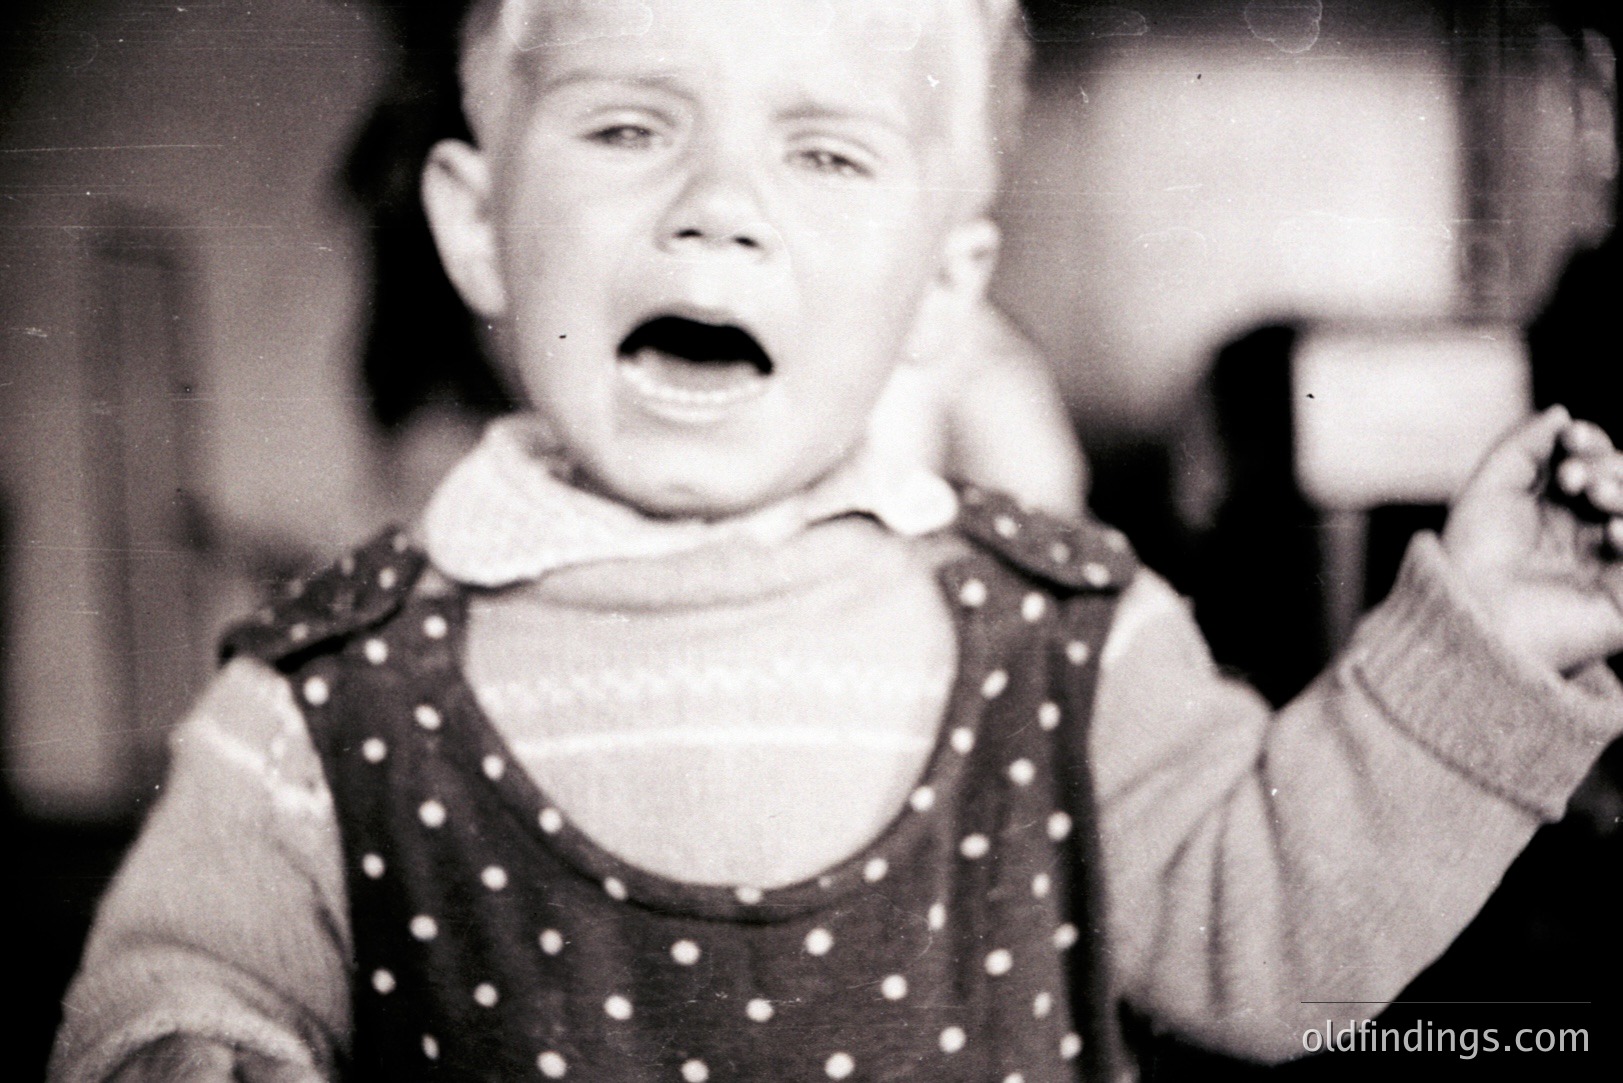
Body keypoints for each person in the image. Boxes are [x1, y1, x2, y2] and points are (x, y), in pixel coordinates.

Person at [49, 1, 1623, 1081]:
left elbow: (1279, 943)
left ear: (945, 285)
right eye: (625, 128)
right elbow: (184, 972)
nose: (718, 206)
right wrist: (184, 1043)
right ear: (475, 225)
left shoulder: (1077, 643)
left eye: (825, 152)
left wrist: (1480, 656)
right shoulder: (320, 706)